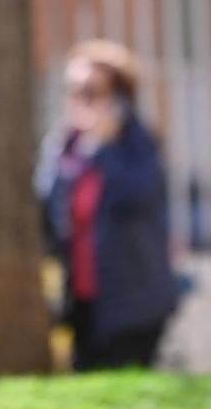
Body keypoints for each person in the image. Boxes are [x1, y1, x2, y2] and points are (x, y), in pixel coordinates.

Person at [37, 40, 180, 371]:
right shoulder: (63, 146)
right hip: (83, 301)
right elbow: (47, 210)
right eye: (72, 90)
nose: (78, 101)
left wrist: (103, 148)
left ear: (118, 99)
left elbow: (138, 197)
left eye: (90, 91)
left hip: (134, 302)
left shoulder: (137, 144)